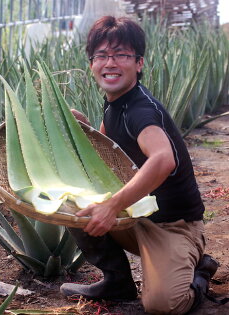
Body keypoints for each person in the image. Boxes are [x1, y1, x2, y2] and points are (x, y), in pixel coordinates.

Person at [60, 16, 219, 314]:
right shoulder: (114, 104)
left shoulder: (140, 110)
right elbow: (105, 154)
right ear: (92, 64)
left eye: (121, 55)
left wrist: (111, 205)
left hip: (174, 228)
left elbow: (162, 158)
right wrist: (82, 128)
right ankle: (118, 281)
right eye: (102, 56)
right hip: (137, 216)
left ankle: (200, 272)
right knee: (73, 204)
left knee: (163, 305)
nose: (111, 63)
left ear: (139, 63)